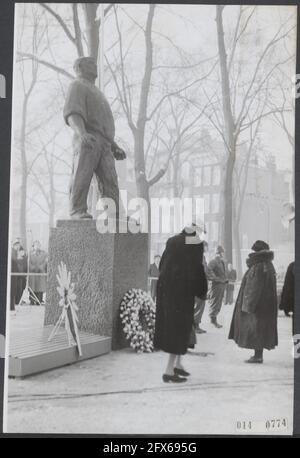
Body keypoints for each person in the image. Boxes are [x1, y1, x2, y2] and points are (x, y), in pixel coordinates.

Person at [63, 56, 126, 220]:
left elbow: (104, 123)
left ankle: (114, 212)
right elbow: (73, 112)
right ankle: (77, 209)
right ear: (80, 67)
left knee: (110, 179)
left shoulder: (98, 93)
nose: (95, 66)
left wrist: (114, 145)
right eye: (90, 64)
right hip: (87, 137)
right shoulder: (77, 85)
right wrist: (81, 133)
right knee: (82, 174)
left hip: (104, 142)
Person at [154, 223, 208, 383]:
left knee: (177, 330)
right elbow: (198, 269)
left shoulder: (172, 242)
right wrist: (202, 290)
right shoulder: (195, 244)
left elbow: (163, 266)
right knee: (179, 332)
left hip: (167, 293)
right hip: (182, 295)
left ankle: (178, 364)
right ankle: (169, 371)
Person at [228, 240, 278, 364]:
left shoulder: (259, 265)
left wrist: (248, 305)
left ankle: (258, 356)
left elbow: (254, 287)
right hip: (265, 305)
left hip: (258, 306)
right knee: (260, 330)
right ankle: (258, 355)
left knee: (256, 330)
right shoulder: (267, 264)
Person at [206, 245, 228, 328]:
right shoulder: (214, 261)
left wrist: (224, 279)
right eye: (222, 252)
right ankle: (213, 320)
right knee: (215, 302)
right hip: (216, 286)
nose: (223, 254)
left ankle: (214, 319)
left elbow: (222, 273)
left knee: (218, 303)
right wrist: (216, 279)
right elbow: (208, 270)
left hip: (221, 285)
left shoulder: (221, 262)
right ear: (219, 253)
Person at [194, 240, 209, 334]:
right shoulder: (198, 257)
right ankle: (195, 326)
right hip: (199, 286)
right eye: (206, 246)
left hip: (201, 285)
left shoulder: (201, 257)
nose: (207, 248)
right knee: (198, 305)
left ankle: (196, 325)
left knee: (200, 305)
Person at [29, 240, 48, 305]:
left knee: (40, 287)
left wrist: (41, 267)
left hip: (41, 273)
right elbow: (28, 262)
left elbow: (46, 261)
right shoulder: (30, 254)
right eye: (36, 245)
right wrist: (32, 267)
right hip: (33, 273)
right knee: (32, 287)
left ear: (40, 246)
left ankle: (39, 300)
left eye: (38, 245)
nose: (37, 246)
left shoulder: (44, 253)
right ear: (33, 246)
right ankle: (32, 300)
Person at [10, 241, 27, 311]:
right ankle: (13, 304)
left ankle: (14, 304)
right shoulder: (13, 252)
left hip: (20, 275)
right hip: (15, 275)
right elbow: (15, 261)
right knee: (15, 289)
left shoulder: (17, 253)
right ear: (15, 245)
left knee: (19, 288)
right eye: (18, 246)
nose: (18, 248)